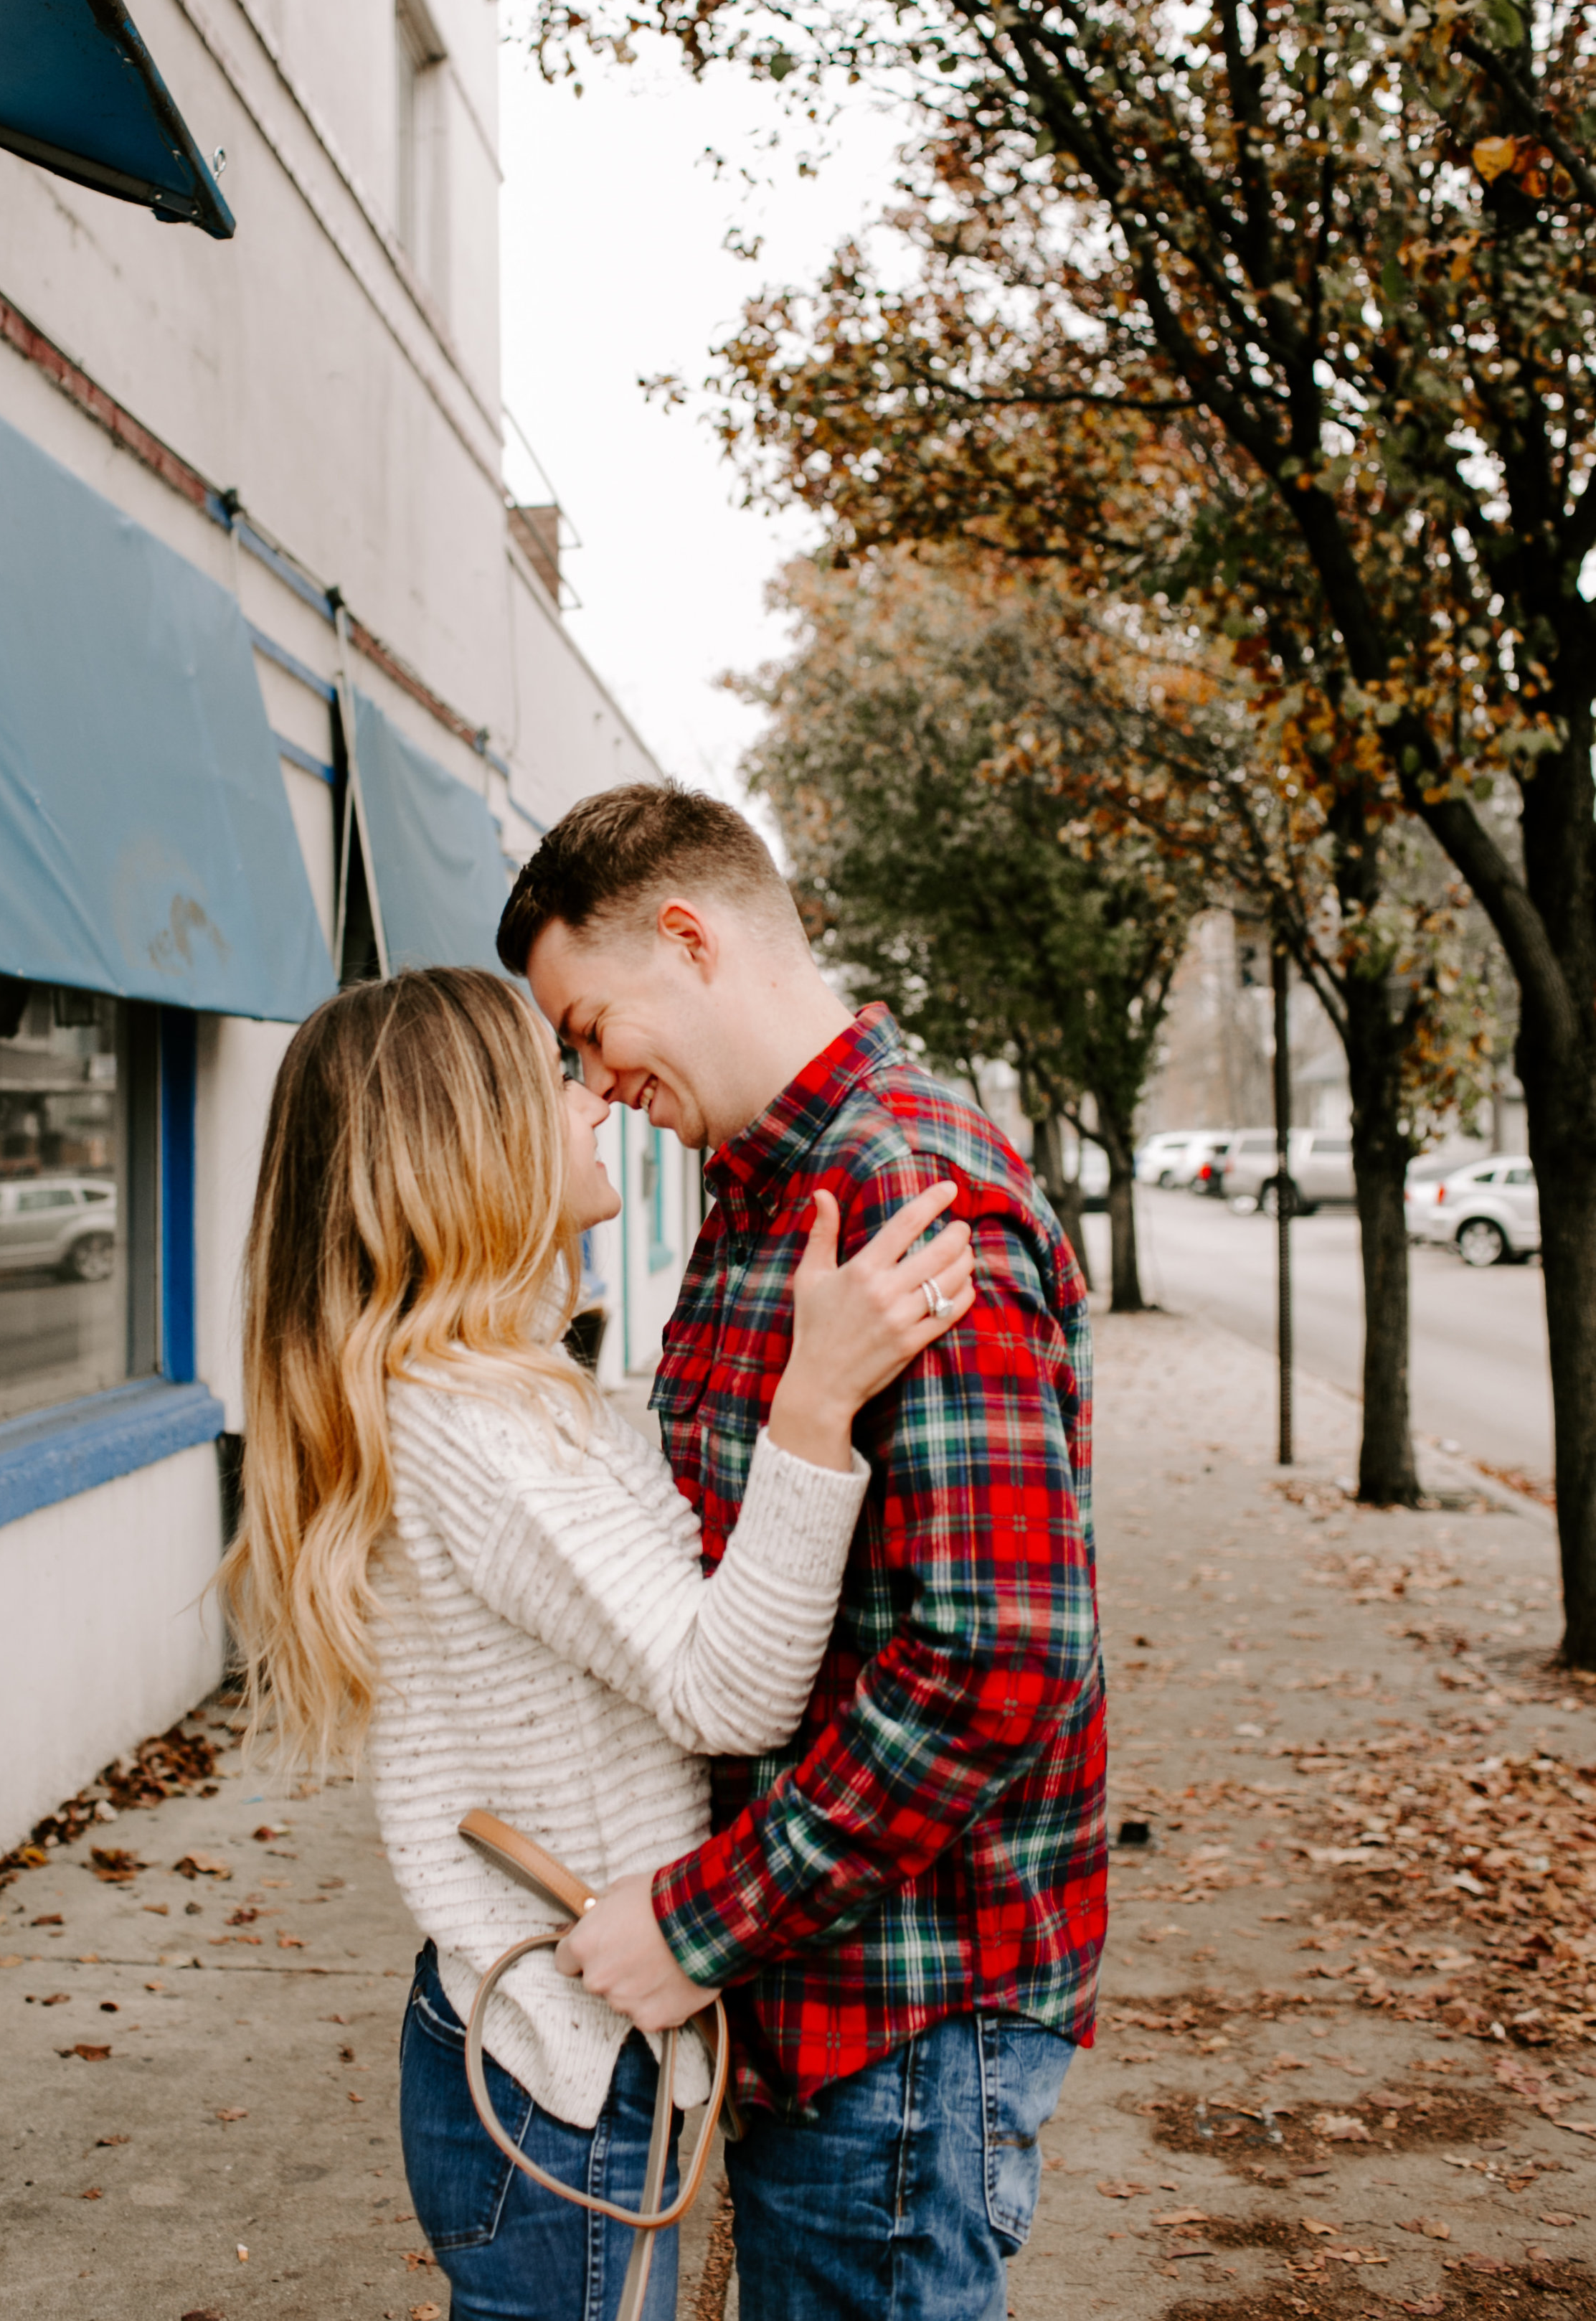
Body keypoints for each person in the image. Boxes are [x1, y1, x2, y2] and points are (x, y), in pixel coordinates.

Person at [219, 966, 974, 2321]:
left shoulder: (482, 1387)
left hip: (547, 2048)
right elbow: (725, 1687)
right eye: (550, 1077)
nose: (594, 1100)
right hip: (556, 2072)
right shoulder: (485, 1429)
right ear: (472, 1139)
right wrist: (816, 1401)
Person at [496, 784, 1107, 2321]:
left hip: (901, 2011)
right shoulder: (766, 1185)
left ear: (687, 940)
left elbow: (994, 1658)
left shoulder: (905, 1188)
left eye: (586, 1028)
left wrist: (705, 1923)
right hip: (822, 1990)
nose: (587, 1079)